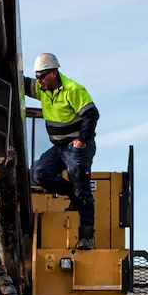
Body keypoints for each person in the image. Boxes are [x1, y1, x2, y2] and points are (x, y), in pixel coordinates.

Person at [25, 51, 100, 248]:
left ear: (53, 73)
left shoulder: (72, 89)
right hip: (59, 147)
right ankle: (72, 193)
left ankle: (86, 237)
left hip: (77, 147)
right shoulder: (42, 89)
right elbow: (22, 84)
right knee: (39, 173)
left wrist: (82, 140)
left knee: (79, 179)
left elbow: (92, 114)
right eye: (37, 76)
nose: (38, 80)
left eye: (41, 76)